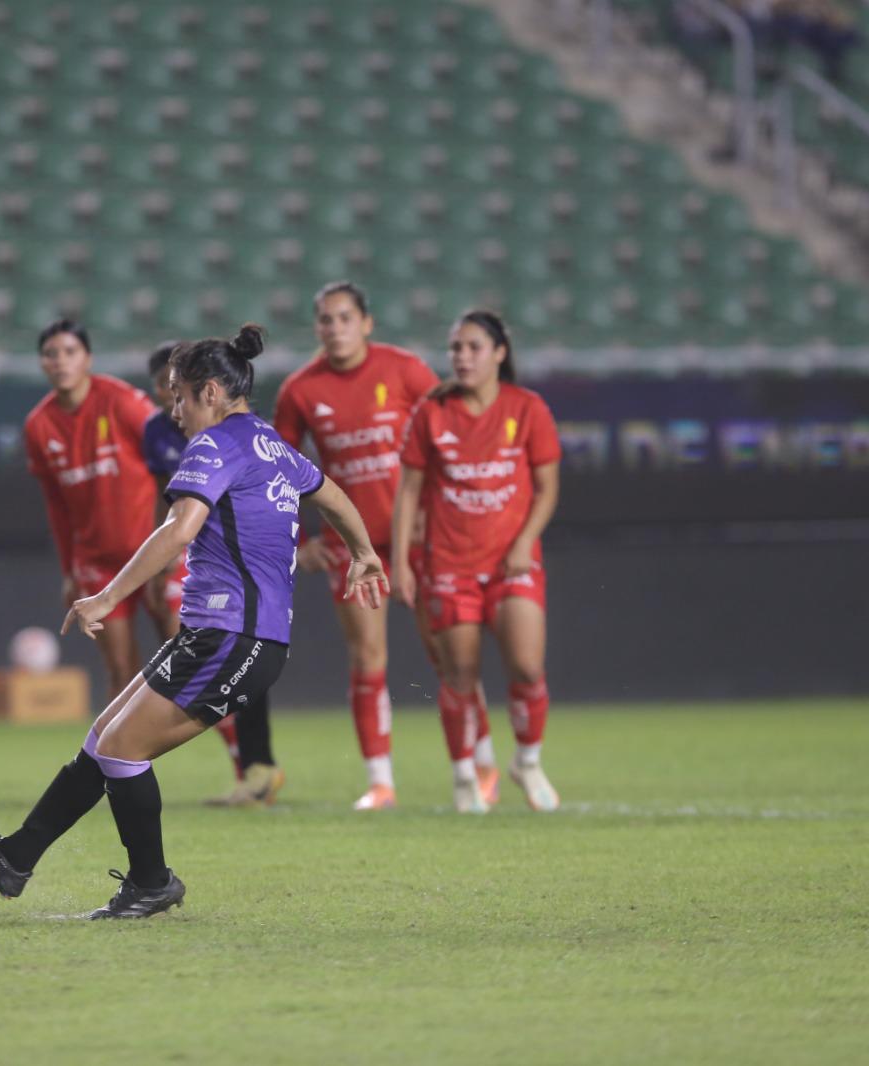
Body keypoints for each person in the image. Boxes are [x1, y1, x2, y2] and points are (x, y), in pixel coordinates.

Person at [0, 325, 387, 918]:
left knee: (123, 748)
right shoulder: (268, 441)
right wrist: (363, 551)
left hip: (234, 637)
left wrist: (106, 597)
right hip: (227, 635)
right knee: (103, 738)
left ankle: (151, 882)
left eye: (178, 395)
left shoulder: (215, 442)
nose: (172, 410)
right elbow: (329, 492)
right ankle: (15, 859)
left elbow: (178, 529)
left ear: (210, 392)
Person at [273, 281, 442, 810]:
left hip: (418, 537)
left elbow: (451, 440)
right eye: (325, 319)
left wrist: (441, 519)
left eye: (344, 317)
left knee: (451, 657)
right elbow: (277, 470)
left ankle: (477, 767)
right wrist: (298, 541)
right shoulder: (301, 390)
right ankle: (380, 782)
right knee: (368, 657)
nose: (335, 328)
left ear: (366, 322)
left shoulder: (407, 371)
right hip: (352, 544)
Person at [392, 310, 562, 814]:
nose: (462, 358)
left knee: (528, 669)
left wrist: (523, 541)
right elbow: (409, 494)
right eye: (455, 349)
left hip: (513, 563)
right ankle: (465, 776)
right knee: (459, 675)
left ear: (500, 353)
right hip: (448, 565)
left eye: (473, 347)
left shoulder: (528, 408)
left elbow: (548, 489)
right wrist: (401, 562)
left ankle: (527, 762)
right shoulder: (433, 412)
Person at [24, 319, 162, 705]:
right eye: (51, 354)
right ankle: (124, 764)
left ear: (88, 358)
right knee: (120, 670)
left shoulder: (122, 402)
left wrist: (173, 540)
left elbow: (170, 467)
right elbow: (57, 505)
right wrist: (69, 569)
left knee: (187, 657)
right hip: (97, 563)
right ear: (41, 364)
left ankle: (245, 757)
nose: (60, 361)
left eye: (70, 352)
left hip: (153, 553)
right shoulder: (38, 426)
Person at [142, 341, 254, 795]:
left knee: (201, 656)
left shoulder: (226, 436)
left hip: (221, 553)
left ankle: (248, 763)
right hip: (181, 547)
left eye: (175, 390)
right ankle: (245, 763)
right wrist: (158, 564)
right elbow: (165, 503)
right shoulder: (158, 431)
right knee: (181, 645)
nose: (170, 402)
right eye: (162, 390)